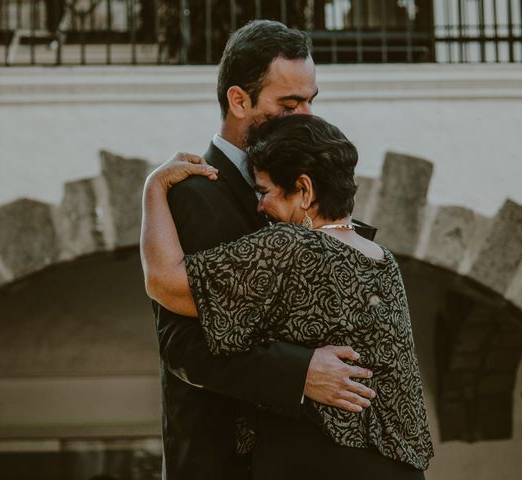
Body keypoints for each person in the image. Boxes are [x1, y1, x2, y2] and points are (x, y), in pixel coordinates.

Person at [142, 114, 433, 479]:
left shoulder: (290, 246)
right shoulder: (383, 260)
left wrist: (154, 188)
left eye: (265, 192)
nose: (260, 207)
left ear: (304, 190)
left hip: (318, 463)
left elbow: (165, 283)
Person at [148, 19, 378, 480]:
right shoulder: (193, 195)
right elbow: (184, 345)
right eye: (289, 104)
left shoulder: (306, 181)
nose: (306, 116)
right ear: (239, 101)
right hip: (227, 464)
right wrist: (300, 372)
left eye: (311, 101)